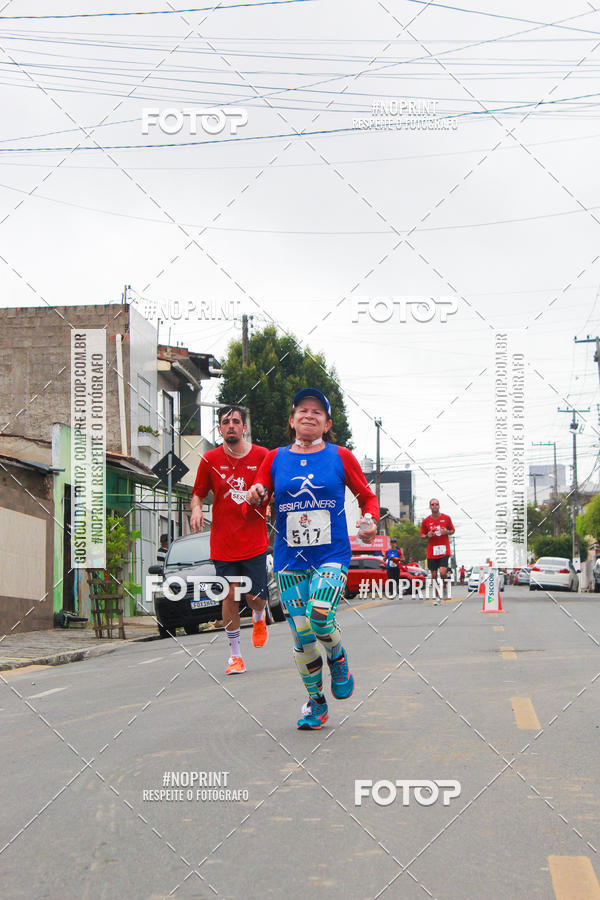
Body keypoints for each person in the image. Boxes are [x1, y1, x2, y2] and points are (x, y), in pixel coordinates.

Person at [246, 388, 379, 730]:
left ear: (327, 423)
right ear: (291, 421)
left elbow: (367, 497)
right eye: (302, 410)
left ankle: (337, 656)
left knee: (320, 618)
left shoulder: (340, 457)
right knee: (302, 635)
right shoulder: (275, 458)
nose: (309, 415)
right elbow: (257, 497)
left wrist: (369, 522)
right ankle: (316, 703)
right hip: (289, 559)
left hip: (331, 554)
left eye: (317, 412)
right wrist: (256, 495)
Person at [190, 405, 269, 675]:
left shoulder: (262, 456)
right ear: (220, 429)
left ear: (244, 427)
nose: (231, 425)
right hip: (223, 543)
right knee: (230, 594)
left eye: (236, 421)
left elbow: (273, 486)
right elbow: (198, 493)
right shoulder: (210, 459)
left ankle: (259, 616)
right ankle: (235, 655)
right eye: (226, 422)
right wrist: (197, 508)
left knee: (255, 598)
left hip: (254, 540)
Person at [419, 498, 455, 605]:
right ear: (430, 507)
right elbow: (421, 535)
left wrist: (446, 532)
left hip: (444, 549)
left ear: (439, 506)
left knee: (443, 572)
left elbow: (452, 530)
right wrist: (426, 535)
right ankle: (437, 597)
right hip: (432, 551)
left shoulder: (446, 518)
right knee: (434, 575)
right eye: (432, 504)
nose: (434, 506)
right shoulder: (426, 521)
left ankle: (444, 585)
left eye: (436, 504)